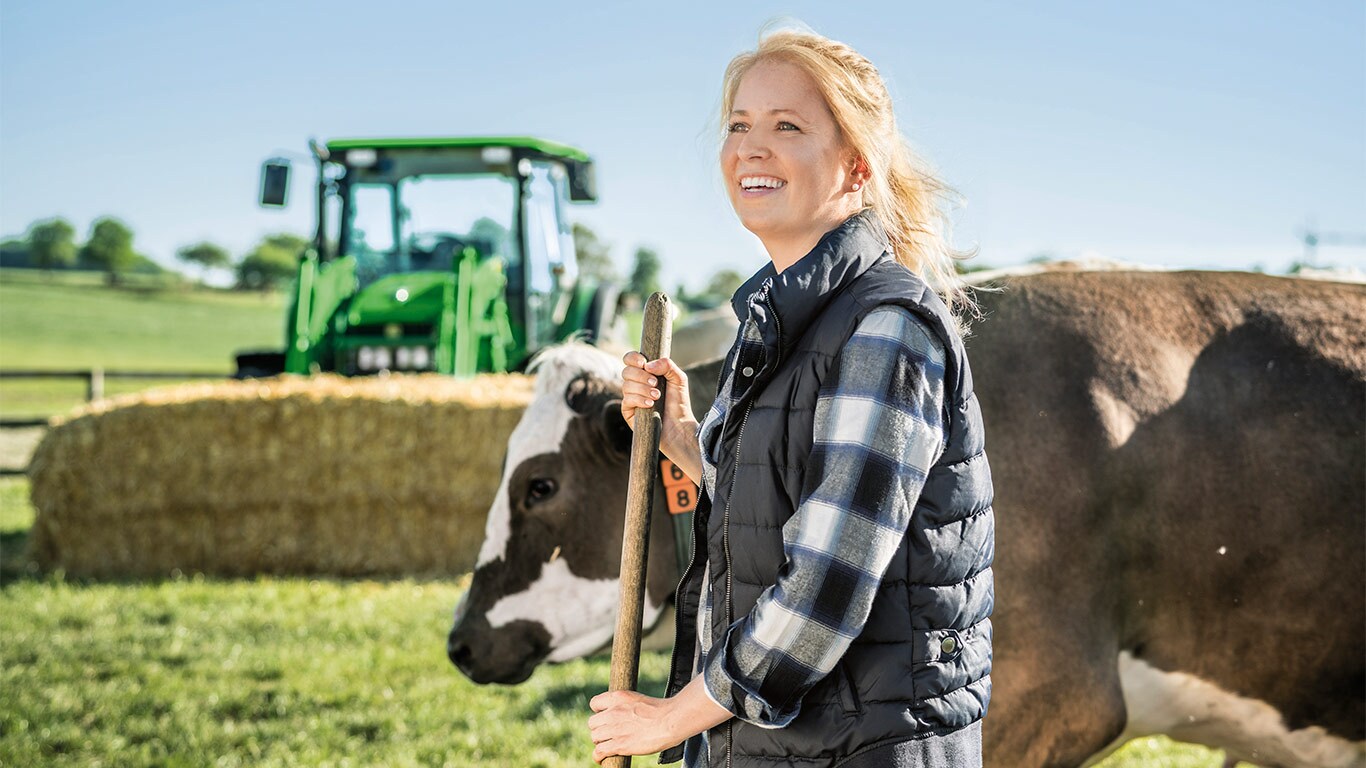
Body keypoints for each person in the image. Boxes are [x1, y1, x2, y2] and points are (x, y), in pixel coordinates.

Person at [589, 25, 995, 768]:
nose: (750, 146)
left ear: (855, 167)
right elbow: (790, 506)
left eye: (788, 126)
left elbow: (823, 592)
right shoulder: (779, 318)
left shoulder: (883, 330)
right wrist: (684, 437)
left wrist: (671, 718)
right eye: (739, 125)